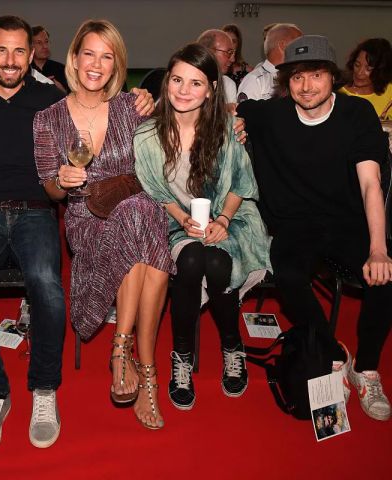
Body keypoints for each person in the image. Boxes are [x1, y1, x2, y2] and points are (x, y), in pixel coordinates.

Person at [0, 15, 155, 456]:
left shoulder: (48, 99)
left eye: (19, 51)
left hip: (35, 213)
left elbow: (110, 109)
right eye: (1, 50)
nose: (10, 60)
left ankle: (44, 389)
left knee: (47, 284)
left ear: (32, 55)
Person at [237, 35, 392, 421]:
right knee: (288, 275)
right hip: (294, 225)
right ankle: (334, 353)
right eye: (298, 77)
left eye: (317, 75)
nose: (307, 87)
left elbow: (371, 183)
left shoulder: (357, 115)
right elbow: (230, 108)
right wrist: (235, 121)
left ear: (332, 77)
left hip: (346, 221)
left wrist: (378, 247)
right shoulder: (271, 115)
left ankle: (366, 369)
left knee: (386, 278)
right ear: (286, 81)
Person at [34, 19, 174, 430]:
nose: (96, 64)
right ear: (74, 59)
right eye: (89, 54)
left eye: (107, 56)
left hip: (137, 210)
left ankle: (124, 353)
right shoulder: (48, 118)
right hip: (84, 217)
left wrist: (234, 120)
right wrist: (61, 179)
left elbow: (163, 156)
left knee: (139, 215)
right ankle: (144, 371)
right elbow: (50, 191)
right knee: (147, 239)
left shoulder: (134, 107)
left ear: (116, 65)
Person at [135, 43, 270, 411]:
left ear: (212, 89)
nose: (183, 90)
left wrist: (223, 220)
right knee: (193, 261)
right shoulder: (147, 136)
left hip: (231, 217)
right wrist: (184, 219)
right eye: (177, 79)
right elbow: (155, 190)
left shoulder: (226, 129)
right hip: (172, 220)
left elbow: (242, 185)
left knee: (217, 263)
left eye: (196, 83)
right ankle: (182, 355)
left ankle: (231, 345)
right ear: (166, 82)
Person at [237, 23, 302, 102]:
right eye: (299, 43)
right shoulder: (255, 80)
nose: (303, 49)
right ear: (283, 46)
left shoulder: (300, 77)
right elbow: (245, 113)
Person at [339, 38, 392, 120]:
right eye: (357, 65)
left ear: (381, 70)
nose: (360, 73)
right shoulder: (339, 95)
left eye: (368, 69)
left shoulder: (390, 92)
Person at [196, 29, 237, 109]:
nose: (233, 59)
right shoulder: (186, 79)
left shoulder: (228, 84)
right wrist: (223, 110)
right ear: (209, 51)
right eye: (229, 52)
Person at [31, 25, 68, 93]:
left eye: (46, 41)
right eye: (39, 43)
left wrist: (61, 91)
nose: (45, 46)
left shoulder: (62, 69)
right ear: (30, 46)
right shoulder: (25, 71)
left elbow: (73, 99)